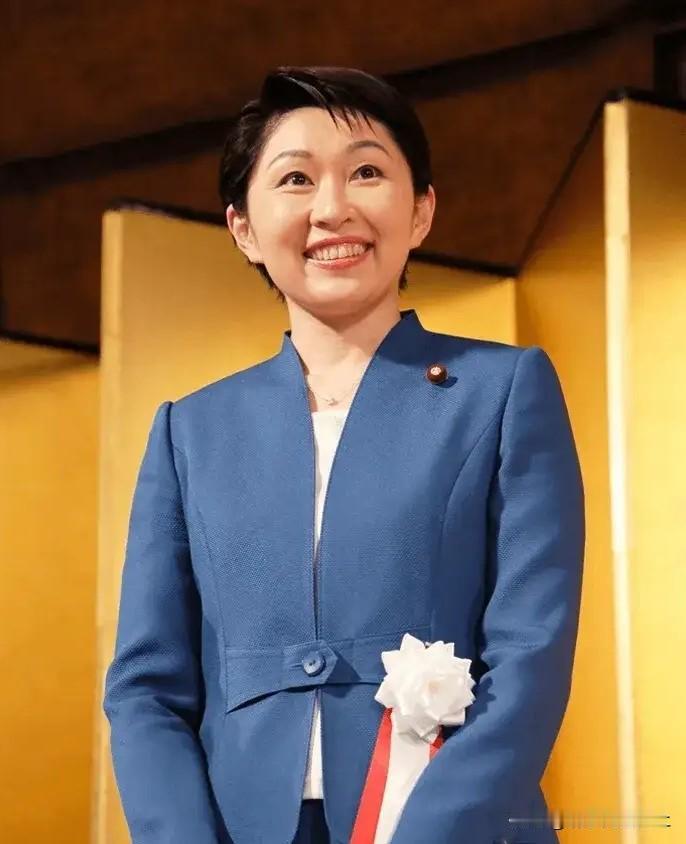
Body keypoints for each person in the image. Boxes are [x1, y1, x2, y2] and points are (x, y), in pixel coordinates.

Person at [103, 66, 585, 844]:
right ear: (243, 228)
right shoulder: (190, 431)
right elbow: (146, 691)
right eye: (295, 179)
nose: (333, 208)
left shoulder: (501, 391)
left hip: (449, 825)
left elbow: (530, 656)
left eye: (366, 172)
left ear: (420, 210)